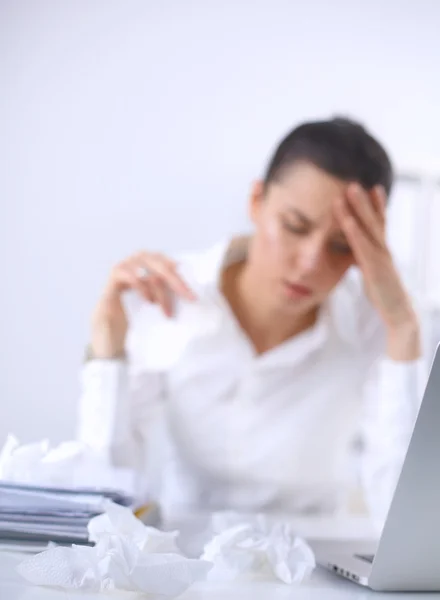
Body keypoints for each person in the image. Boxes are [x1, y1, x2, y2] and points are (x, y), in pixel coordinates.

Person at [77, 117, 421, 521]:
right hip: (186, 551)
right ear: (256, 201)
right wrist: (107, 353)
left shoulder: (373, 322)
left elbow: (405, 518)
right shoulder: (172, 298)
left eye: (342, 246)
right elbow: (102, 493)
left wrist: (403, 327)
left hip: (318, 555)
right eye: (295, 226)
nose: (310, 263)